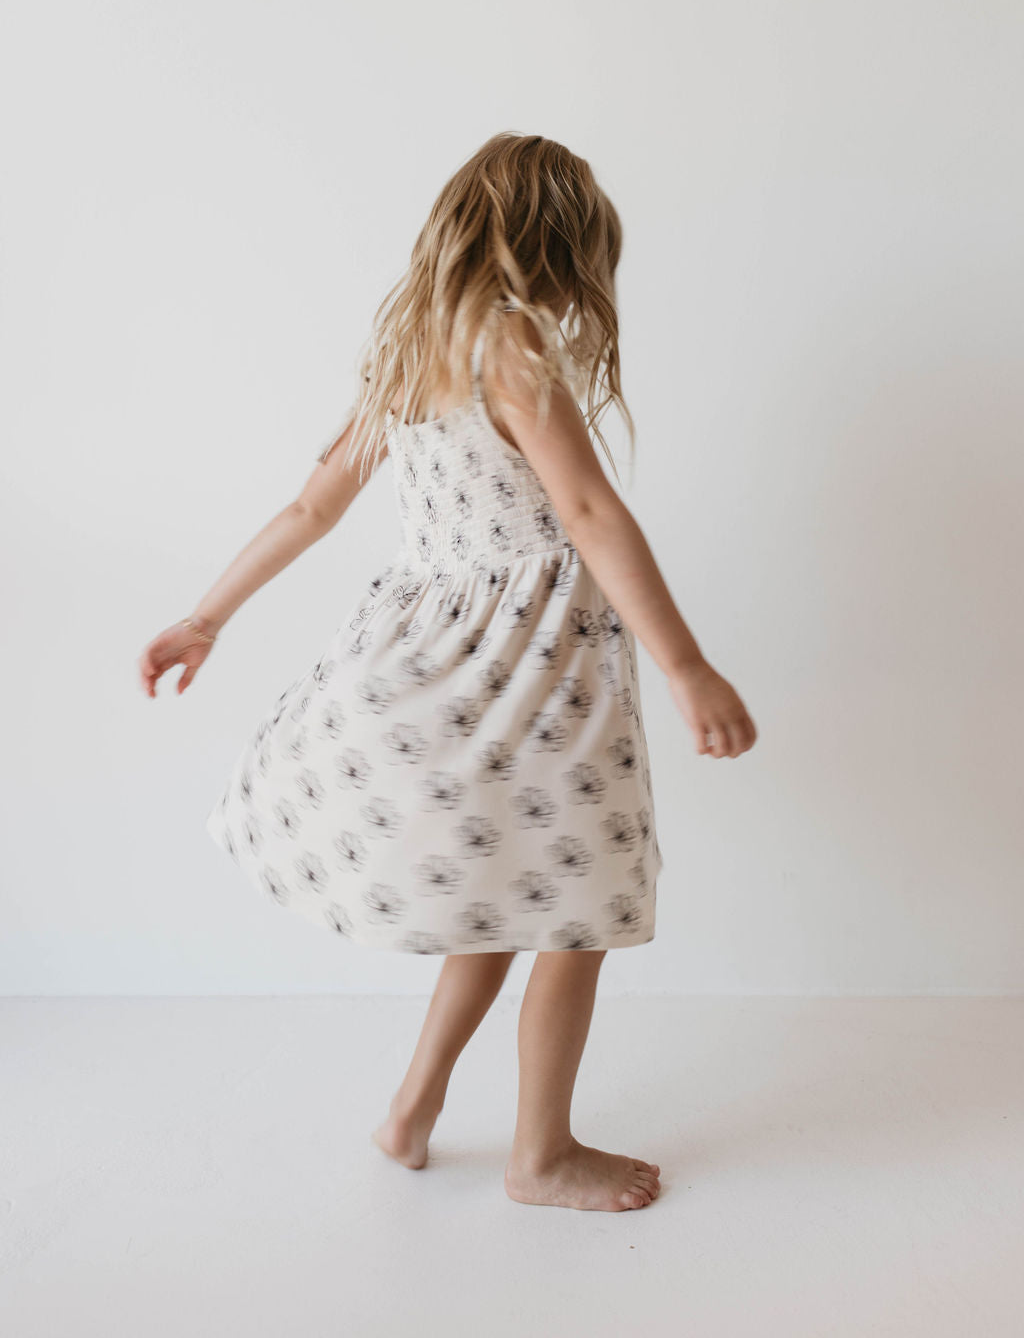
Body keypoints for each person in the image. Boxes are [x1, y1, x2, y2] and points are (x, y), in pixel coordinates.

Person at [138, 131, 757, 1212]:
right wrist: (686, 663)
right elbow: (587, 508)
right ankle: (541, 1155)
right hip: (535, 678)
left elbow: (310, 507)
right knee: (579, 911)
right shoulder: (511, 344)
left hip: (442, 672)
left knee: (506, 894)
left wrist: (205, 617)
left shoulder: (410, 350)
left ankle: (411, 1109)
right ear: (554, 241)